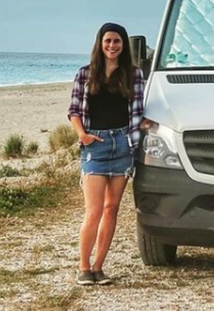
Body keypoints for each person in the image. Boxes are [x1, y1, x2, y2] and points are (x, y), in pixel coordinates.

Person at [68, 22, 146, 286]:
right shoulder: (85, 74)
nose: (112, 46)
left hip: (123, 144)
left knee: (112, 208)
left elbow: (138, 110)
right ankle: (83, 266)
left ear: (124, 46)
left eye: (117, 42)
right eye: (108, 41)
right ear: (100, 43)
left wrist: (146, 125)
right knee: (94, 210)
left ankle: (99, 267)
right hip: (96, 145)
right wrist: (82, 134)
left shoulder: (133, 75)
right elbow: (74, 110)